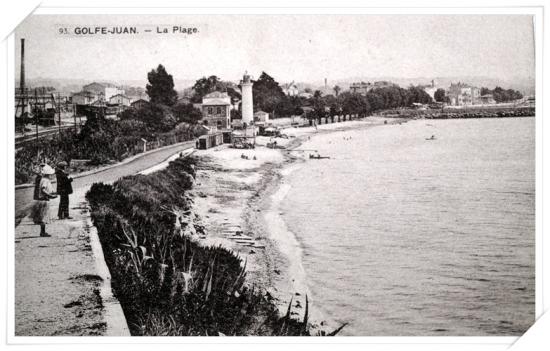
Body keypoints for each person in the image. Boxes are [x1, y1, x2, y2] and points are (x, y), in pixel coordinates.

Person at [31, 164, 57, 237]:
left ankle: (43, 231)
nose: (52, 175)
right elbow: (43, 190)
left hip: (43, 200)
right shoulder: (46, 180)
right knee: (43, 217)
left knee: (43, 217)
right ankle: (42, 232)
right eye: (51, 174)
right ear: (48, 174)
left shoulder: (44, 179)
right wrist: (50, 195)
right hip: (44, 200)